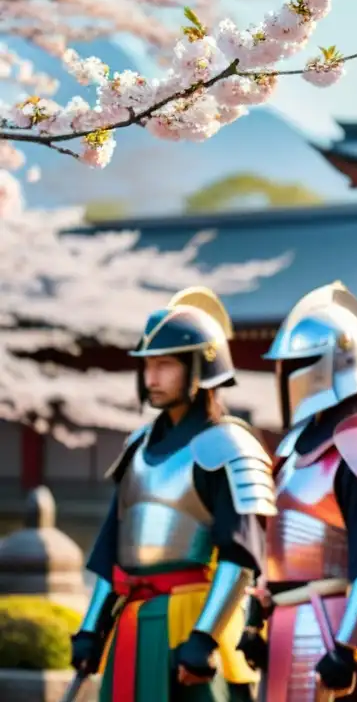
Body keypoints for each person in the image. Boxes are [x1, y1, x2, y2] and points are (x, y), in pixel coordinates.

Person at [69, 287, 277, 702]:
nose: (151, 379)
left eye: (164, 365)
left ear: (201, 367)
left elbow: (240, 558)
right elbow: (110, 549)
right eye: (147, 366)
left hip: (193, 622)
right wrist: (92, 625)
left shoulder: (230, 447)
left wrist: (205, 636)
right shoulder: (137, 447)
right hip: (132, 623)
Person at [236, 282, 357, 701]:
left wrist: (345, 647)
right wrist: (255, 620)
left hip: (336, 628)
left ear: (330, 364)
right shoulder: (292, 448)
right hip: (287, 631)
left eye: (296, 364)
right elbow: (273, 550)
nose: (285, 377)